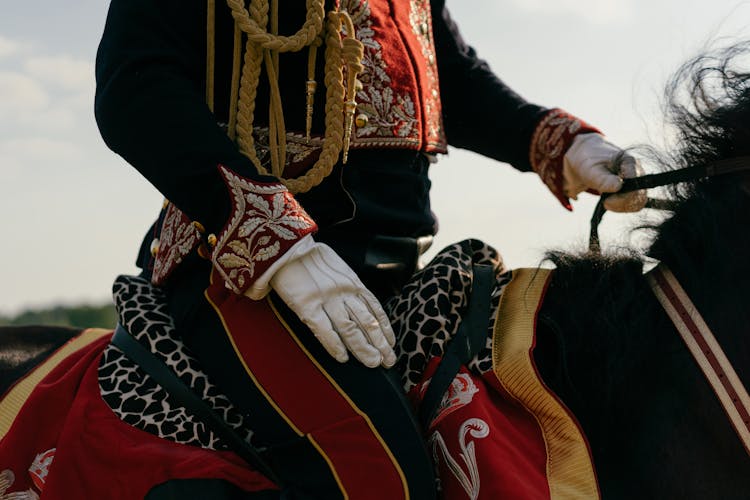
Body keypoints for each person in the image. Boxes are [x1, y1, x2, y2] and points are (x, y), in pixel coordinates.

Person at [93, 0, 645, 497]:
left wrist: (561, 142)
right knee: (378, 481)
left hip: (402, 266)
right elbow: (134, 85)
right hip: (241, 269)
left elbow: (446, 74)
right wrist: (278, 240)